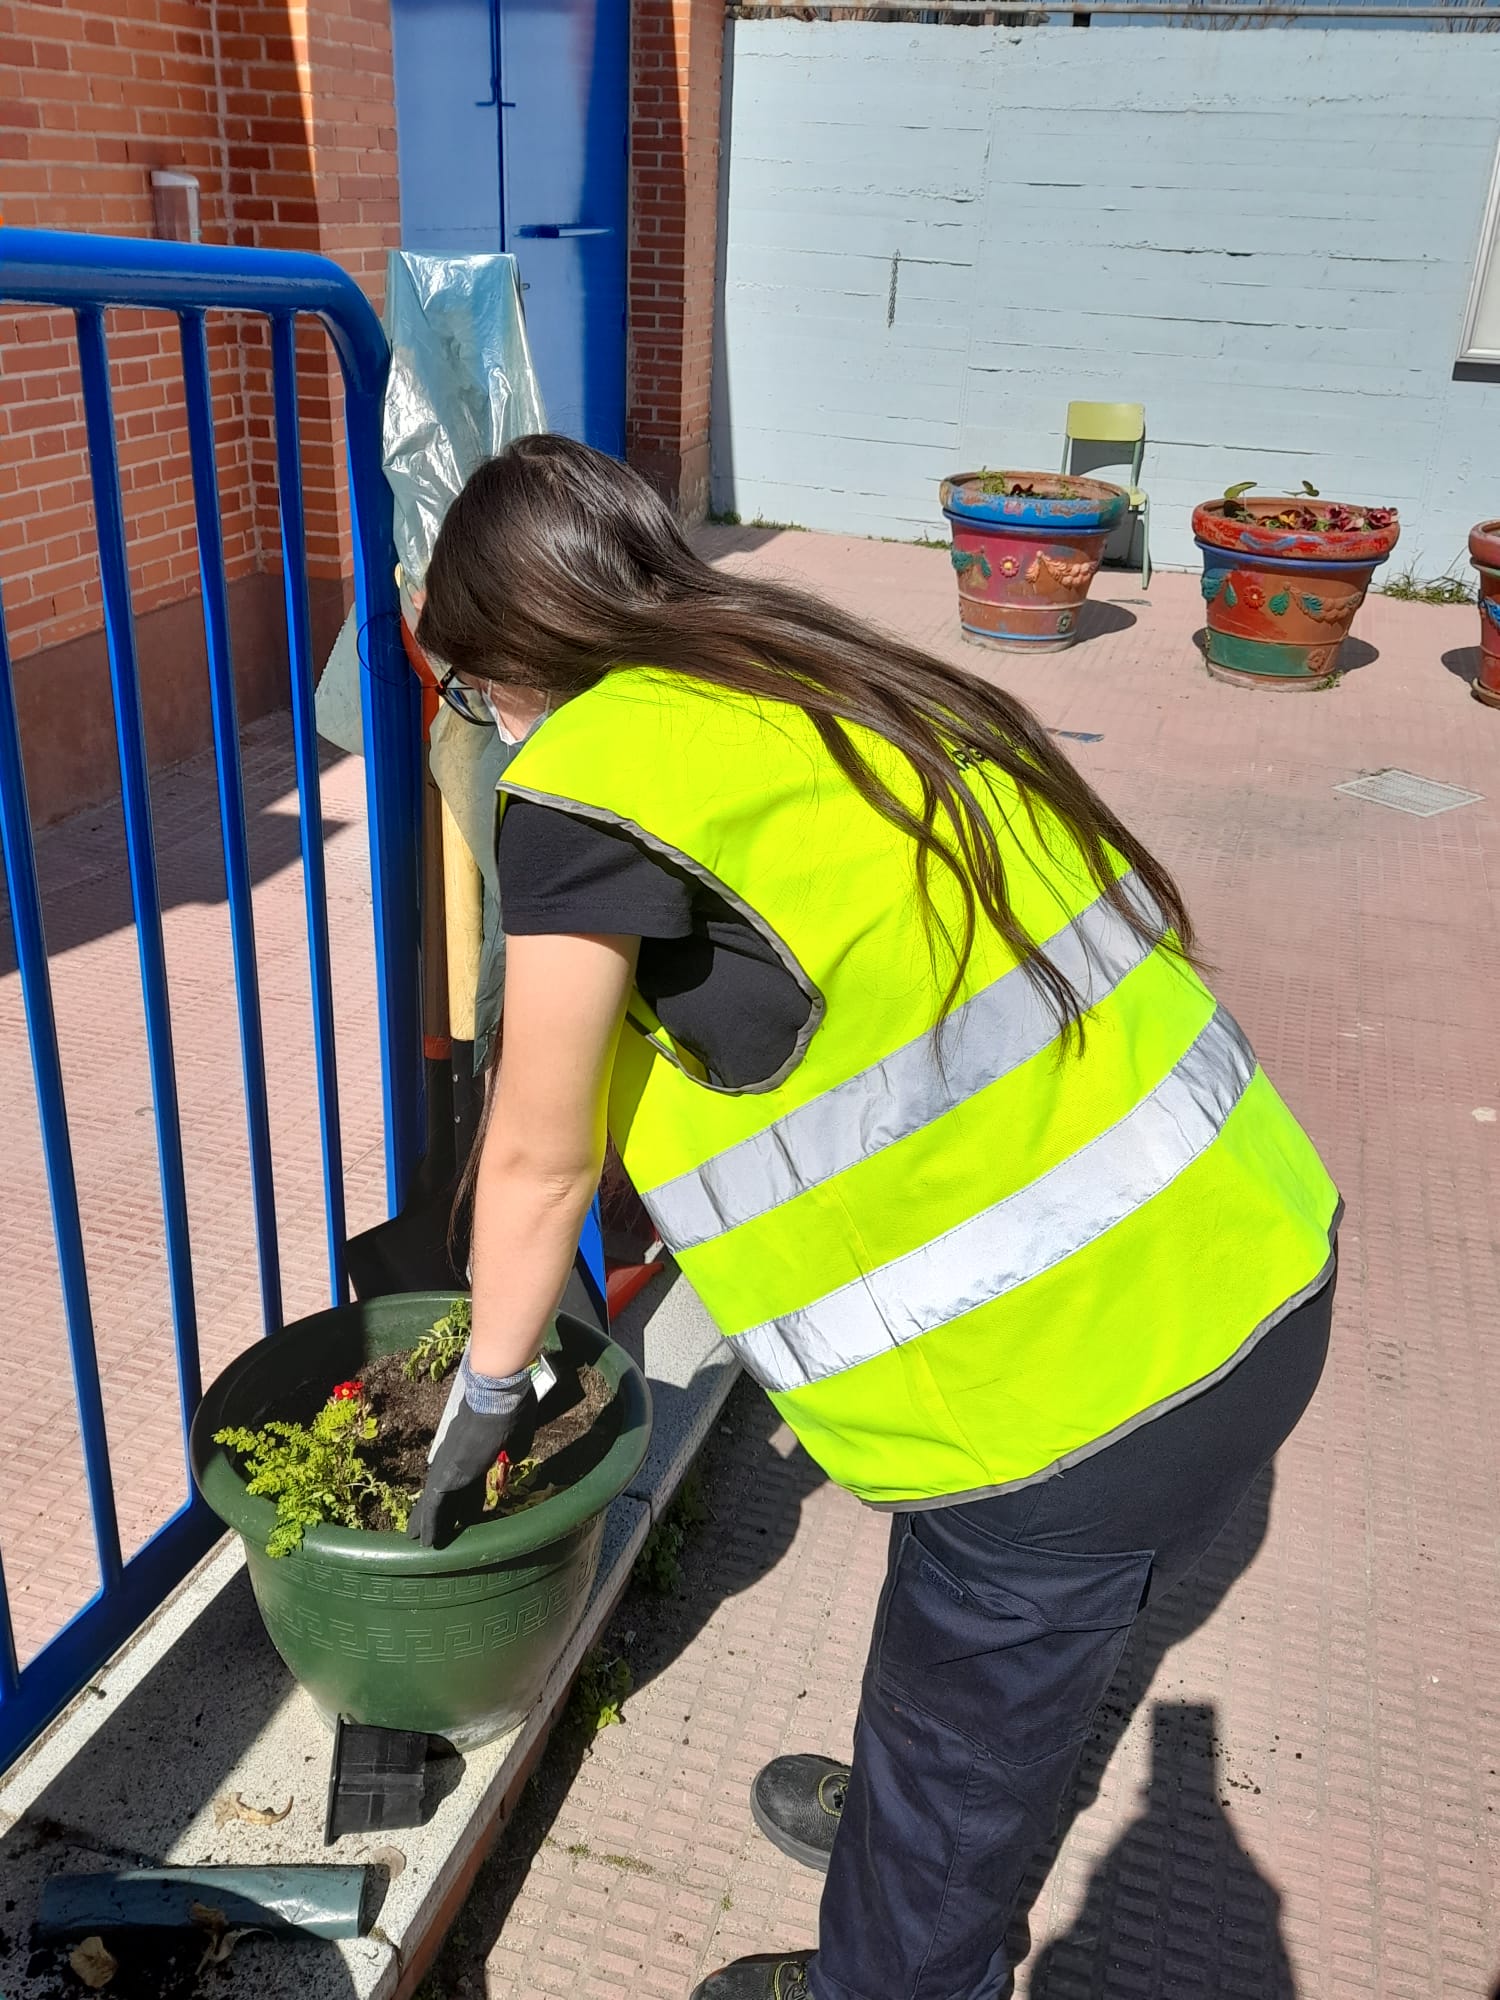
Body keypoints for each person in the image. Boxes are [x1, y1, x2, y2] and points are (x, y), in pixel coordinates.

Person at [406, 433, 1340, 2000]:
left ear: (516, 653)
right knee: (1002, 1687)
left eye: (468, 685)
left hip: (1079, 1387)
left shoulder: (585, 773)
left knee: (962, 1736)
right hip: (1254, 1250)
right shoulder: (827, 677)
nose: (477, 718)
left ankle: (902, 1948)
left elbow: (538, 1160)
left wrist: (485, 1397)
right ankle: (932, 1818)